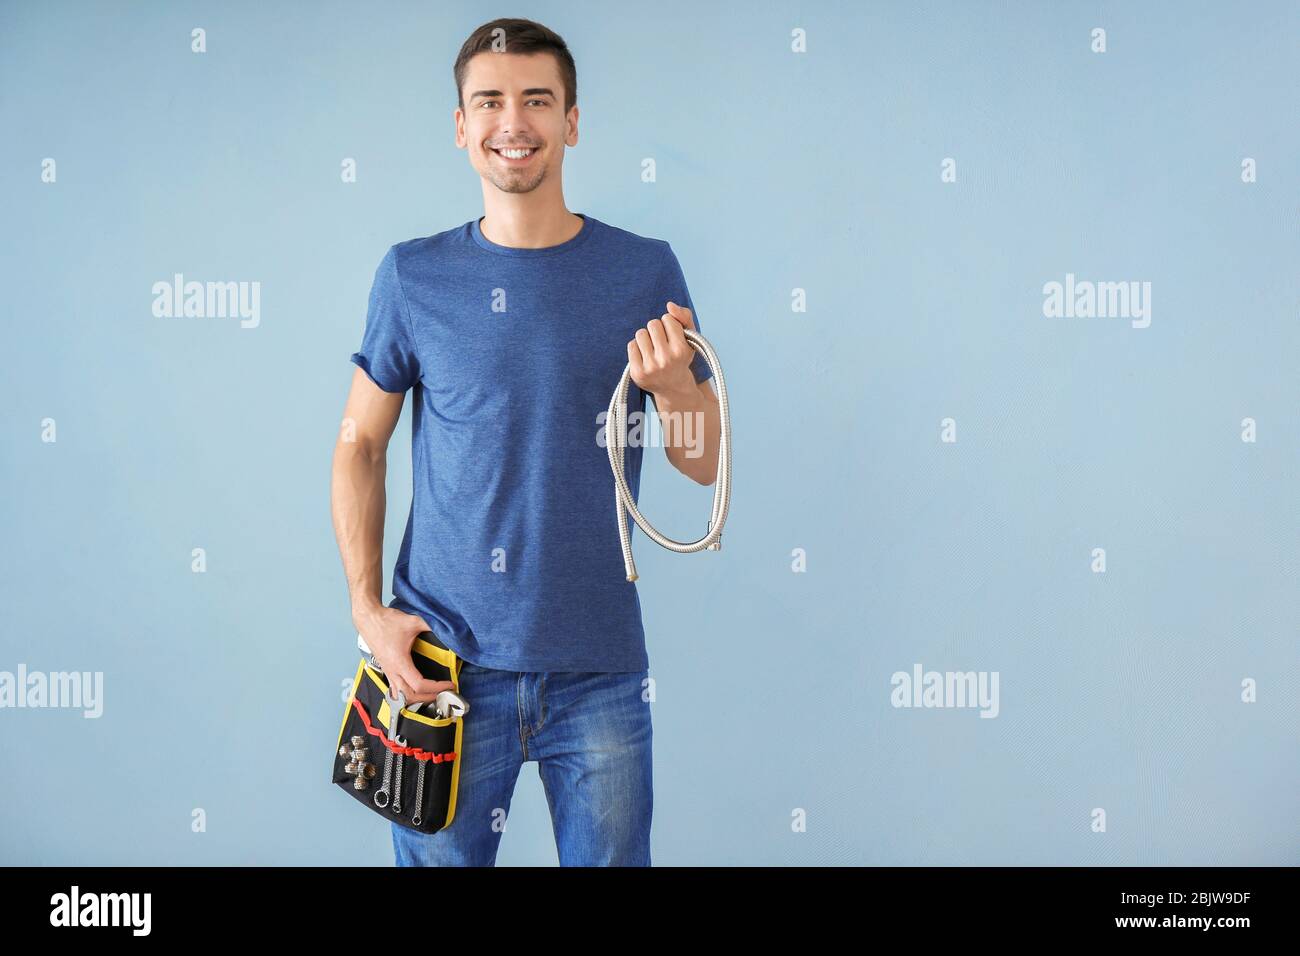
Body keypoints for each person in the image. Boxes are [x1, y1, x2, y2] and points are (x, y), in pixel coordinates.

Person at [329, 17, 721, 866]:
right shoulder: (413, 275)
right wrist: (369, 615)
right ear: (463, 127)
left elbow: (701, 459)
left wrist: (675, 388)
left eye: (538, 99)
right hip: (443, 669)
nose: (516, 122)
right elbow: (361, 442)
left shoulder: (644, 270)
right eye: (491, 102)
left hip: (601, 671)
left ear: (572, 121)